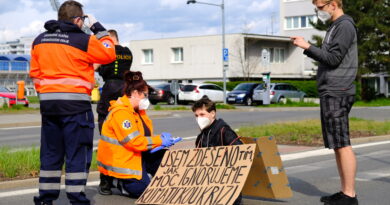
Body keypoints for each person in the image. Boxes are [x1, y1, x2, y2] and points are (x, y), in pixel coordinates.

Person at [29, 0, 116, 204]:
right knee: (77, 152)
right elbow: (109, 53)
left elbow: (35, 74)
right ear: (78, 20)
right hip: (76, 107)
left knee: (51, 153)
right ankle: (76, 199)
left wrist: (49, 93)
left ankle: (45, 199)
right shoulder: (83, 40)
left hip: (49, 106)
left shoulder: (40, 40)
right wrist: (97, 28)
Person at [291, 0, 358, 205]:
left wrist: (307, 46)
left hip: (338, 90)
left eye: (320, 6)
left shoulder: (344, 25)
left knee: (342, 144)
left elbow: (333, 58)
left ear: (334, 4)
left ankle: (350, 195)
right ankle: (345, 192)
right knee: (337, 144)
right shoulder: (335, 26)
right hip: (332, 90)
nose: (317, 11)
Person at [97, 71, 180, 198]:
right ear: (135, 93)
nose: (147, 99)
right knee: (145, 192)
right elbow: (134, 141)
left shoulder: (139, 112)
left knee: (168, 159)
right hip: (123, 163)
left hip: (138, 156)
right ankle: (116, 181)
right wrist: (159, 140)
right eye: (145, 95)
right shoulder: (121, 113)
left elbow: (144, 136)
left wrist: (159, 141)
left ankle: (146, 175)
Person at [191, 96, 243, 205]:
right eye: (196, 116)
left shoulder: (224, 131)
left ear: (212, 114)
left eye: (202, 115)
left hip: (228, 188)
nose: (198, 118)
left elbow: (241, 152)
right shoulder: (201, 136)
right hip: (209, 188)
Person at [95, 29, 133, 133]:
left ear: (110, 38)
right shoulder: (128, 52)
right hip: (125, 86)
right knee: (122, 112)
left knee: (103, 112)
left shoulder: (108, 51)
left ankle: (105, 138)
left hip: (110, 86)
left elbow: (94, 67)